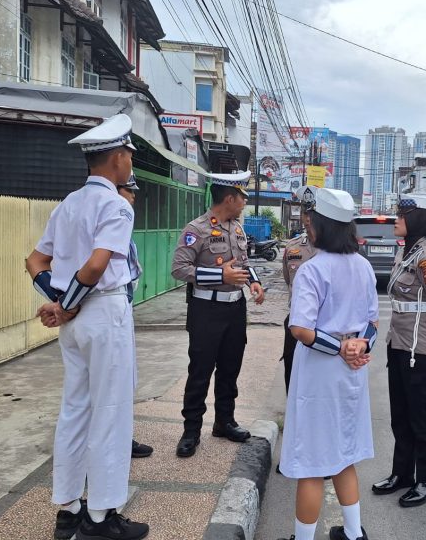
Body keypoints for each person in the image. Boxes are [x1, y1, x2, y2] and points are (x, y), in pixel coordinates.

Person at [25, 114, 149, 540]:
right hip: (101, 313)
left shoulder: (68, 204)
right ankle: (100, 517)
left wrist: (58, 303)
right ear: (118, 158)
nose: (131, 161)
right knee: (110, 413)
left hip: (75, 323)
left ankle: (69, 508)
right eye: (129, 154)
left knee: (75, 410)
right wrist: (67, 307)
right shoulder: (115, 204)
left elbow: (34, 262)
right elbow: (97, 266)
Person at [278, 186, 378, 540]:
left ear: (317, 226)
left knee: (312, 463)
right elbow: (372, 323)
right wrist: (359, 346)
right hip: (352, 371)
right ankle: (353, 534)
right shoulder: (363, 266)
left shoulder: (312, 269)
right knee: (343, 455)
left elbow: (301, 329)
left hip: (322, 371)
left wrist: (339, 348)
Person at [171, 171, 266, 458]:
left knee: (230, 369)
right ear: (229, 198)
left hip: (235, 308)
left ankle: (225, 421)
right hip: (206, 310)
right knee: (200, 371)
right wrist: (219, 274)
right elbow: (179, 269)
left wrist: (254, 282)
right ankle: (191, 430)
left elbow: (244, 263)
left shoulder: (237, 229)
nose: (244, 204)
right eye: (243, 198)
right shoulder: (196, 229)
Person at [372, 192, 426, 509]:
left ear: (416, 220)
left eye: (402, 216)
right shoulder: (405, 254)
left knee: (421, 418)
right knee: (400, 416)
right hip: (399, 347)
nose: (396, 220)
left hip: (422, 350)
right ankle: (402, 474)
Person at [116, 175, 154, 460]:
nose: (133, 198)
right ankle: (114, 442)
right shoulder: (110, 223)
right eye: (129, 191)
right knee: (113, 382)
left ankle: (122, 436)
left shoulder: (122, 228)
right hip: (107, 309)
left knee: (125, 379)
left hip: (122, 308)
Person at [280, 190, 317, 393]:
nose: (308, 218)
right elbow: (289, 280)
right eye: (305, 212)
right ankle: (292, 420)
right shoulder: (293, 247)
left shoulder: (333, 248)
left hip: (322, 325)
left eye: (313, 213)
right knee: (291, 371)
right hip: (295, 320)